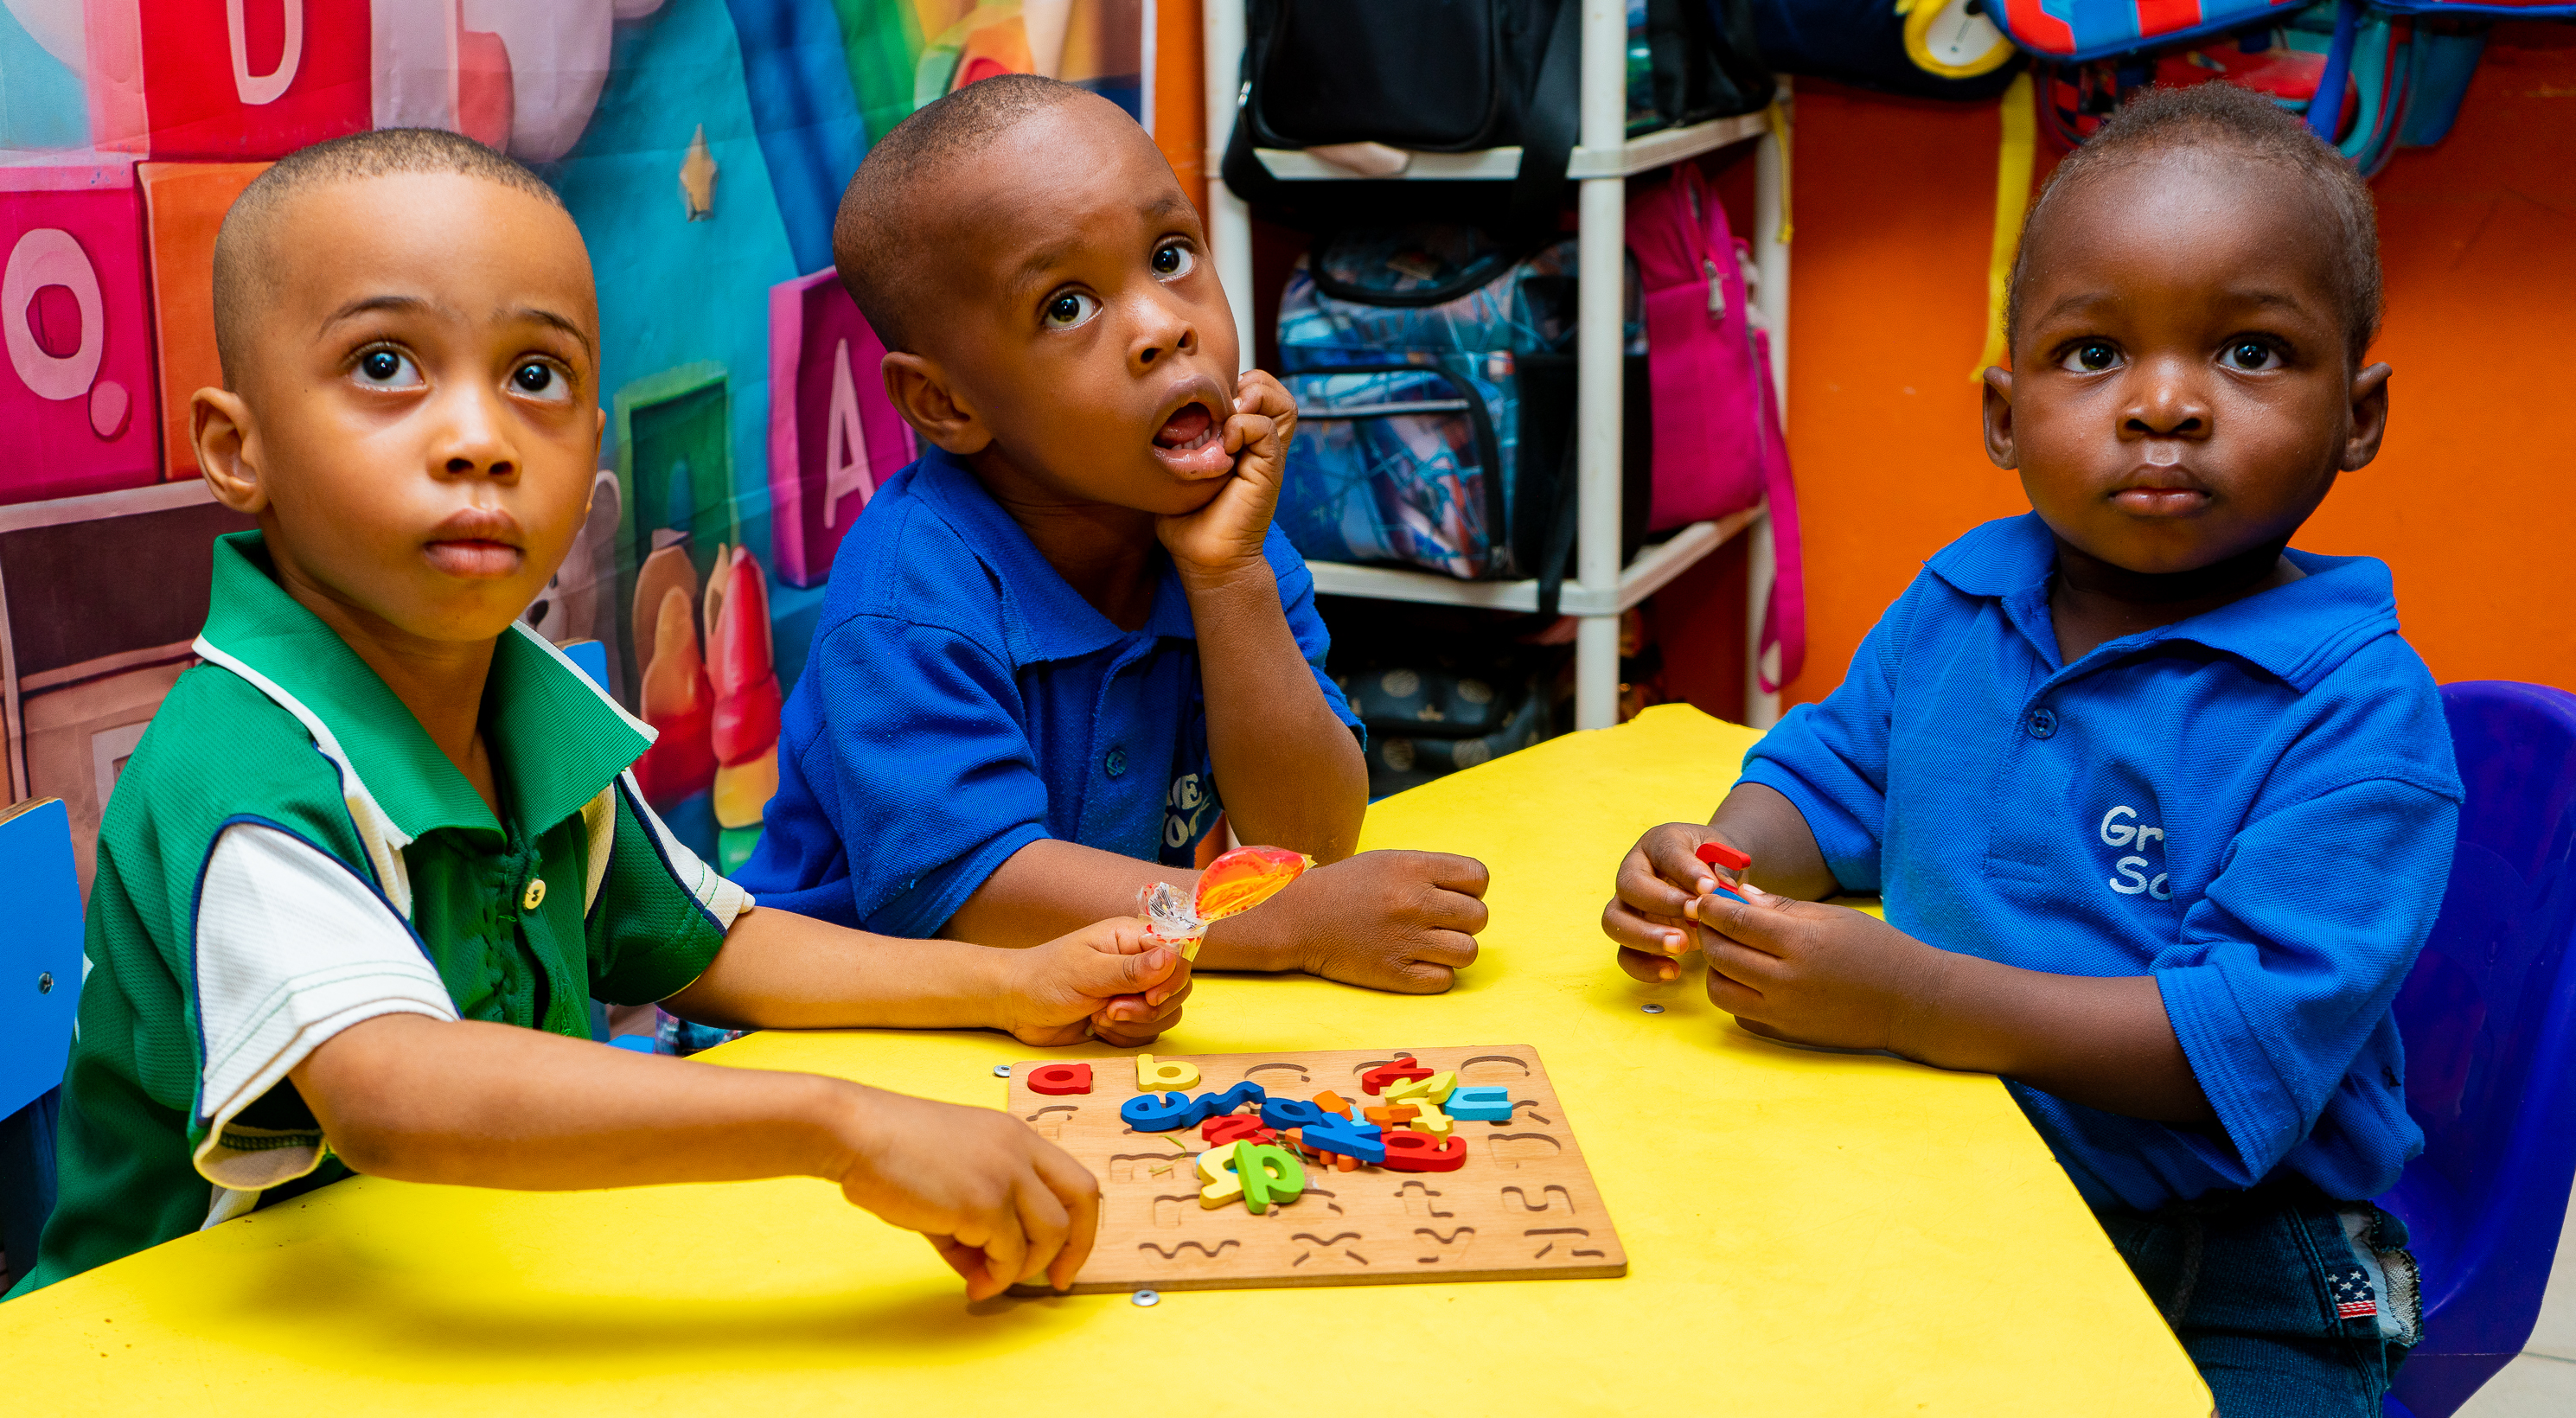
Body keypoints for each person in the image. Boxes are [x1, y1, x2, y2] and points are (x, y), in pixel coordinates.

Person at [13, 128, 1189, 1301]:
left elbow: (712, 945)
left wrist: (1013, 984)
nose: (478, 442)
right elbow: (392, 1094)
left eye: (535, 377)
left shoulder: (522, 696)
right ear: (237, 446)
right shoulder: (240, 770)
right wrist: (840, 1125)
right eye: (384, 366)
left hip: (466, 1285)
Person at [1601, 83, 2458, 1414]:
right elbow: (1829, 779)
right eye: (2093, 355)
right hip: (1944, 1173)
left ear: (2359, 410)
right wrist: (1716, 862)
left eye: (2248, 353)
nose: (2163, 406)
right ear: (2004, 414)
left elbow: (2222, 1049)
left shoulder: (2359, 717)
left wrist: (1907, 997)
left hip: (2230, 1260)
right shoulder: (1962, 600)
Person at [742, 75, 1491, 993]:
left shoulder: (1225, 535)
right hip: (832, 1036)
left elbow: (1312, 836)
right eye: (1067, 305)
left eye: (1171, 255)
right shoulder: (910, 597)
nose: (1162, 327)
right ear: (945, 403)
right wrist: (1281, 922)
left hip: (1065, 1016)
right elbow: (981, 892)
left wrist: (1229, 581)